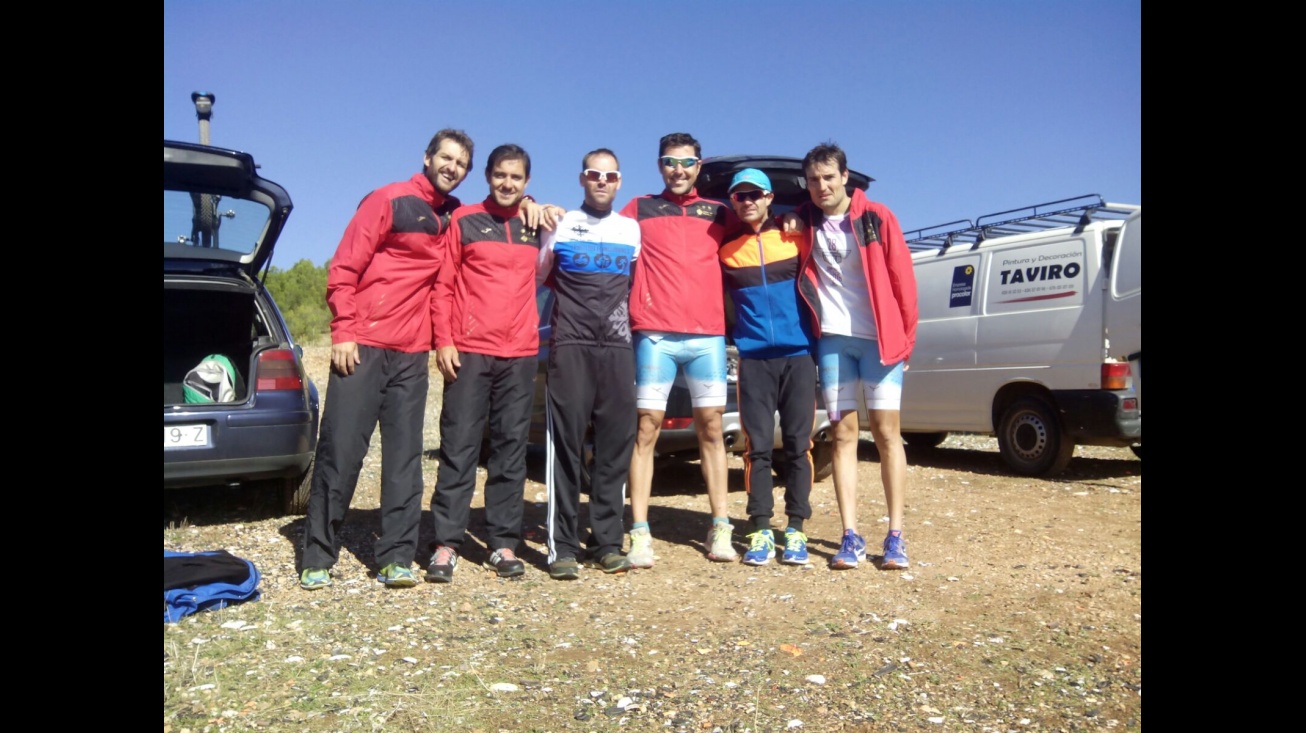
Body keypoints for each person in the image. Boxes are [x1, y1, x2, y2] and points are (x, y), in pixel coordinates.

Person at [298, 129, 474, 590]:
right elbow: (344, 267)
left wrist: (532, 200)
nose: (452, 167)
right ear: (427, 157)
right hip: (363, 347)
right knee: (341, 452)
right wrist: (344, 330)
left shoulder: (454, 216)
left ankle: (396, 557)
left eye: (461, 164)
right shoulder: (388, 199)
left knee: (403, 460)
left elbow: (497, 210)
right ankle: (317, 555)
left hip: (411, 354)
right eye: (446, 158)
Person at [426, 143, 562, 583]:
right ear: (487, 175)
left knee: (509, 451)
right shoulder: (465, 220)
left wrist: (540, 208)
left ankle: (503, 543)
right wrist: (444, 341)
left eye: (516, 178)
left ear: (527, 183)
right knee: (460, 447)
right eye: (500, 175)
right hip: (469, 351)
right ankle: (447, 542)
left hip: (520, 353)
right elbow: (443, 285)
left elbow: (557, 266)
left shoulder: (533, 224)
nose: (507, 184)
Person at [795, 142, 918, 570]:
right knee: (843, 436)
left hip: (879, 341)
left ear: (845, 177)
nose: (821, 186)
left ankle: (896, 535)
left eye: (829, 177)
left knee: (886, 435)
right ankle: (850, 535)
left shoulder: (876, 217)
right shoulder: (803, 221)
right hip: (833, 342)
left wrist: (907, 340)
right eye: (813, 180)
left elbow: (903, 279)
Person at [620, 132, 739, 566]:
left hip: (707, 336)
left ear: (699, 166)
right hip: (654, 335)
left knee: (711, 429)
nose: (678, 170)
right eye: (670, 162)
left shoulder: (720, 213)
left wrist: (795, 221)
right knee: (646, 429)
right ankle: (639, 531)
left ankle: (720, 527)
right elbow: (600, 229)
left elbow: (756, 230)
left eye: (687, 162)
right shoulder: (637, 208)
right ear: (659, 165)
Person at [535, 148, 641, 579]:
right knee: (566, 446)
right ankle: (562, 546)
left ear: (619, 182)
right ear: (582, 179)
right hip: (570, 345)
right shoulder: (558, 224)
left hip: (617, 347)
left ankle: (607, 542)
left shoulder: (630, 230)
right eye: (594, 174)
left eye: (610, 175)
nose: (602, 181)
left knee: (616, 446)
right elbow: (538, 278)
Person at [718, 168, 818, 567]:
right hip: (754, 359)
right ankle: (759, 527)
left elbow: (824, 219)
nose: (748, 202)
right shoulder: (726, 251)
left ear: (770, 197)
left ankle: (795, 529)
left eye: (755, 194)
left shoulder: (794, 236)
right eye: (739, 197)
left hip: (798, 356)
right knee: (756, 448)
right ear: (733, 202)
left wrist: (800, 215)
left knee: (798, 445)